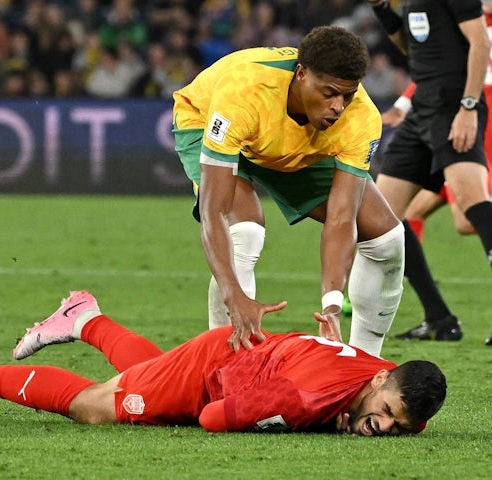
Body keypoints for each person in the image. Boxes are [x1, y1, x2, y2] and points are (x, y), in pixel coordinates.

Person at [172, 25, 405, 357]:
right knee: (245, 231)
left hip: (288, 145)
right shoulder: (245, 92)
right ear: (301, 74)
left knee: (387, 239)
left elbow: (342, 218)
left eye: (347, 95)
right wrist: (233, 294)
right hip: (206, 123)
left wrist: (332, 304)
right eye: (328, 93)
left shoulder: (360, 117)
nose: (339, 106)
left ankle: (363, 368)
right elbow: (215, 211)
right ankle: (223, 370)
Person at [0, 291, 446, 435]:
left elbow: (386, 398)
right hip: (212, 376)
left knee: (142, 378)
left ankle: (84, 318)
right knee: (98, 406)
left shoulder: (392, 380)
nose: (388, 425)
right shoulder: (304, 398)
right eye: (387, 411)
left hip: (241, 355)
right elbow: (214, 419)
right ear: (380, 380)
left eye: (399, 424)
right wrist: (285, 418)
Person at [368, 0, 492, 346]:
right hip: (423, 110)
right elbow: (413, 47)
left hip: (452, 105)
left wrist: (469, 106)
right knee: (381, 217)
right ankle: (439, 317)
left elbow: (481, 42)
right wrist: (385, 11)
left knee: (471, 205)